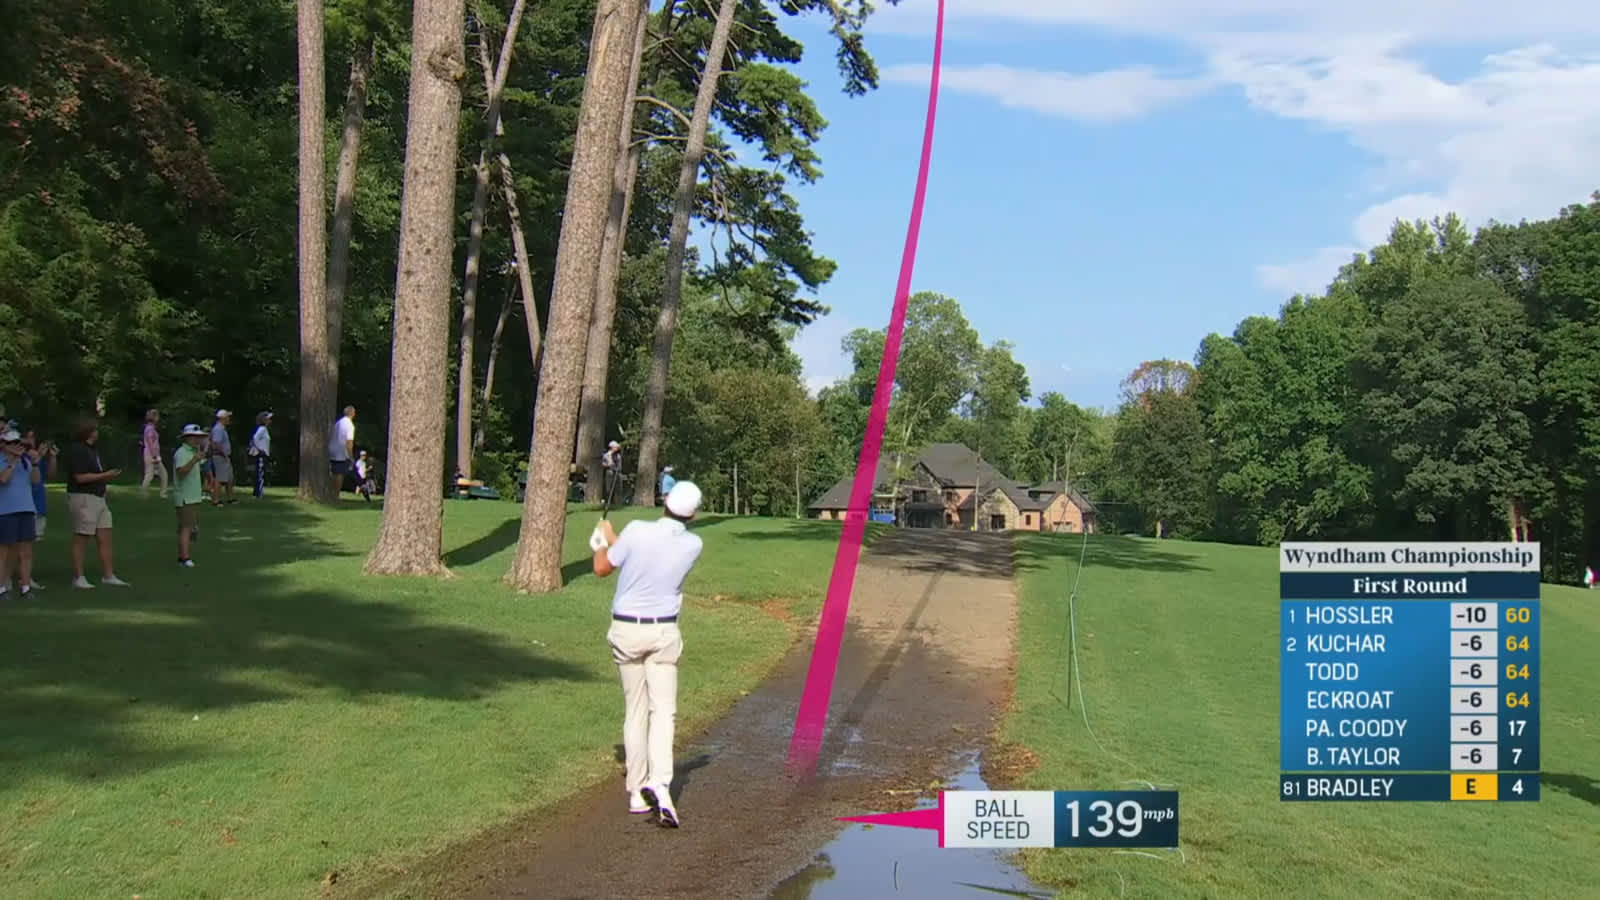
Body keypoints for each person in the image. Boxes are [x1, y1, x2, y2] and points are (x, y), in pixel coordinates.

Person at [589, 480, 705, 828]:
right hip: (663, 632)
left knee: (635, 710)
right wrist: (614, 540)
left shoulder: (637, 530)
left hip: (627, 629)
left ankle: (637, 792)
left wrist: (601, 541)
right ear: (694, 514)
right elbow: (643, 555)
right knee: (664, 712)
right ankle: (661, 782)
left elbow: (602, 568)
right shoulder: (693, 544)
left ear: (665, 500)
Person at [63, 417, 129, 589]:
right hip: (83, 497)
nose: (97, 432)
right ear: (89, 432)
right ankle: (78, 577)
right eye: (95, 430)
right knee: (82, 537)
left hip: (98, 498)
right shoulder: (78, 450)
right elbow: (80, 477)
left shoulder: (93, 450)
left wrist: (104, 487)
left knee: (105, 537)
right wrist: (105, 476)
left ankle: (108, 575)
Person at [0, 427, 42, 601]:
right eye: (11, 443)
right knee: (4, 552)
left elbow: (35, 480)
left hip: (26, 508)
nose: (16, 446)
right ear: (3, 445)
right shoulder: (3, 460)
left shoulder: (25, 461)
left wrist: (35, 463)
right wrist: (12, 462)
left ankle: (25, 587)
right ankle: (2, 588)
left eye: (18, 442)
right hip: (6, 510)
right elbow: (3, 479)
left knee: (26, 552)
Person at [21, 430, 54, 589]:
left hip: (39, 504)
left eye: (33, 436)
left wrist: (51, 457)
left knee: (31, 544)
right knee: (19, 544)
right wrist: (37, 457)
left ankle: (25, 576)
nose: (31, 439)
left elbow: (49, 474)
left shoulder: (36, 457)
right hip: (25, 505)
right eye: (27, 436)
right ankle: (22, 577)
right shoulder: (20, 457)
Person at [172, 424, 208, 567]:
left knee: (189, 527)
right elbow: (181, 472)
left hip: (193, 495)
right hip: (185, 496)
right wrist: (194, 460)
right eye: (195, 437)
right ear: (187, 438)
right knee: (186, 527)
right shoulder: (181, 453)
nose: (197, 440)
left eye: (199, 437)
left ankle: (184, 555)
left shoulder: (193, 451)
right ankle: (184, 558)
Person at [139, 408, 169, 499]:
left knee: (162, 474)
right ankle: (144, 494)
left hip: (153, 455)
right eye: (157, 416)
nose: (158, 418)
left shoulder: (151, 428)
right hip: (151, 455)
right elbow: (150, 443)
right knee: (150, 475)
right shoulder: (149, 429)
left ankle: (162, 493)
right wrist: (154, 456)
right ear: (154, 417)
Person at [209, 409, 236, 505]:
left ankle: (230, 498)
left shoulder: (222, 428)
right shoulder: (218, 429)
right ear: (222, 418)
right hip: (220, 457)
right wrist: (223, 453)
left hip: (224, 457)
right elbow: (216, 443)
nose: (229, 419)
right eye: (227, 417)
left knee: (229, 478)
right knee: (220, 479)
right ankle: (216, 500)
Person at [328, 405, 356, 497]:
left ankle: (331, 492)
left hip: (332, 449)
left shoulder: (338, 423)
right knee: (340, 473)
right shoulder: (350, 425)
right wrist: (351, 457)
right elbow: (349, 442)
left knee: (334, 472)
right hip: (341, 451)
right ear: (352, 413)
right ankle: (336, 494)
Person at [248, 411, 272, 498]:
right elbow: (255, 438)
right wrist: (260, 449)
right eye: (268, 419)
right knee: (260, 473)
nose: (270, 420)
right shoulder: (262, 429)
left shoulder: (264, 429)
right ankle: (259, 493)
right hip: (261, 454)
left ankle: (257, 492)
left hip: (263, 454)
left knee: (259, 472)